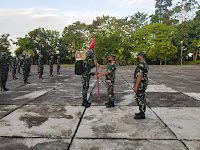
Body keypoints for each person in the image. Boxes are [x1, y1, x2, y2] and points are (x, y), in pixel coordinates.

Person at [133, 52, 149, 119]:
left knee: (140, 98)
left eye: (138, 55)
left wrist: (136, 86)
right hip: (143, 83)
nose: (138, 57)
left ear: (141, 56)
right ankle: (141, 112)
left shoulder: (141, 64)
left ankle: (142, 114)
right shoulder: (145, 63)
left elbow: (139, 76)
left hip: (140, 84)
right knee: (142, 97)